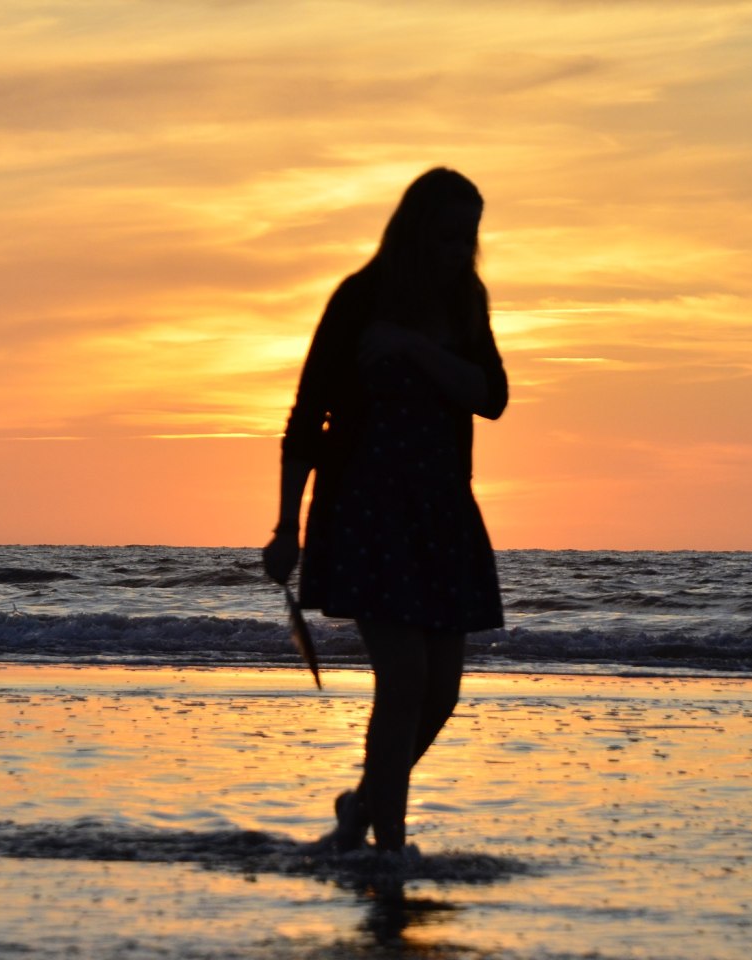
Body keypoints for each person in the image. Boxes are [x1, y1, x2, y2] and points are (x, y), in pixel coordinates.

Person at [262, 167, 509, 854]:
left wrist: (415, 347)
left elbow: (491, 395)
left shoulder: (465, 301)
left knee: (442, 695)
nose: (461, 252)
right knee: (402, 682)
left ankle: (363, 805)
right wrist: (286, 526)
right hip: (366, 512)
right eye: (448, 237)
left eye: (470, 239)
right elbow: (307, 418)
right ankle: (388, 849)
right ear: (414, 232)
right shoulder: (358, 298)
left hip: (442, 515)